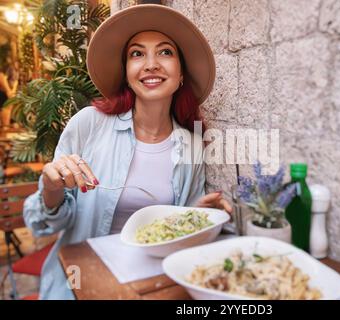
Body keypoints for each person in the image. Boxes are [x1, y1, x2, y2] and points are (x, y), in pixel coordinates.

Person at [23, 4, 231, 300]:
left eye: (165, 52)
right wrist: (51, 187)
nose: (150, 64)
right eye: (137, 53)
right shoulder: (88, 124)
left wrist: (201, 217)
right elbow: (43, 223)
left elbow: (177, 230)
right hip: (79, 285)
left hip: (152, 287)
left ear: (181, 72)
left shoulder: (192, 145)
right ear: (127, 72)